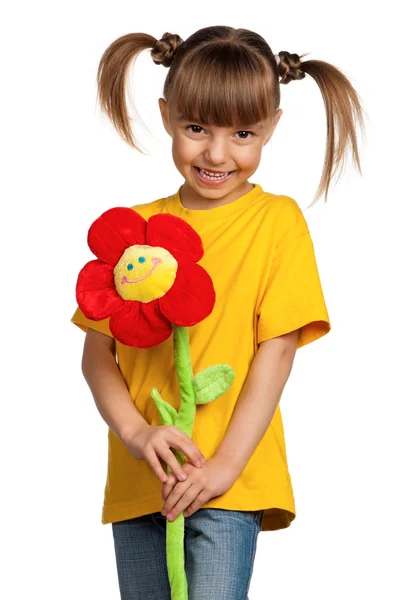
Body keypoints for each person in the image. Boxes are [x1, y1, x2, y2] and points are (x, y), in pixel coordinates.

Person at [70, 25, 365, 600]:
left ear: (272, 129)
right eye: (196, 127)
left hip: (228, 485)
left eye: (243, 133)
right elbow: (96, 355)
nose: (217, 153)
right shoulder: (136, 229)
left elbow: (275, 355)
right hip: (142, 481)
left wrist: (223, 468)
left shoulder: (276, 222)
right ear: (167, 114)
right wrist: (135, 433)